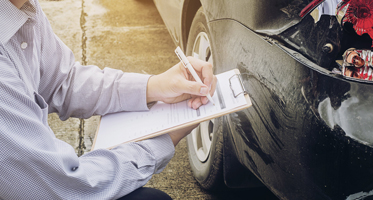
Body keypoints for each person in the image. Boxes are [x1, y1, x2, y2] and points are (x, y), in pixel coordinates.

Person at [0, 0, 217, 199]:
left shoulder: (22, 7)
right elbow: (63, 185)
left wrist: (155, 86)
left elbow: (63, 82)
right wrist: (161, 140)